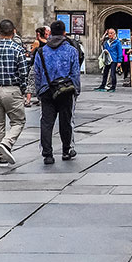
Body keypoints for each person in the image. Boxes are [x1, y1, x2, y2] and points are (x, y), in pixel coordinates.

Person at [0, 18, 29, 166]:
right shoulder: (18, 49)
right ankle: (7, 143)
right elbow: (23, 72)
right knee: (18, 121)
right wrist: (22, 89)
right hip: (12, 89)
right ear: (13, 32)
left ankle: (1, 157)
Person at [34, 19, 81, 165]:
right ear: (64, 33)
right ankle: (66, 150)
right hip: (66, 90)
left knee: (46, 122)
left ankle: (47, 154)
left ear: (50, 34)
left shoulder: (41, 51)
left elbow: (37, 73)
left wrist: (39, 91)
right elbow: (75, 73)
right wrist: (76, 90)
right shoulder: (71, 51)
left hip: (47, 90)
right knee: (66, 121)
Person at [24, 25, 49, 108]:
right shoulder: (47, 42)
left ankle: (28, 100)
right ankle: (40, 99)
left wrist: (27, 52)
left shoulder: (37, 42)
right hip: (44, 65)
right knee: (42, 82)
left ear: (38, 34)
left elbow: (32, 52)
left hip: (35, 64)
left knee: (31, 81)